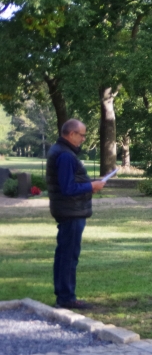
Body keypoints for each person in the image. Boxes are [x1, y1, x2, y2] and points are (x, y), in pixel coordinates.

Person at [46, 119, 106, 309]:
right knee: (68, 255)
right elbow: (67, 187)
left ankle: (64, 294)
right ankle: (66, 297)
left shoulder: (61, 151)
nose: (83, 139)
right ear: (71, 134)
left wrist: (89, 187)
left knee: (65, 253)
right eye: (82, 135)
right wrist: (91, 186)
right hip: (70, 211)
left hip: (69, 209)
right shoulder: (64, 155)